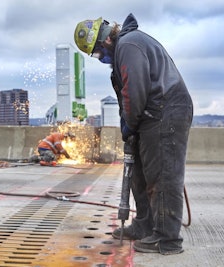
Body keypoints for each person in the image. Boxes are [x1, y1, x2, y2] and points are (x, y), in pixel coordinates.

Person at [74, 14, 193, 255]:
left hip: (165, 110)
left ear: (104, 42)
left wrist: (129, 124)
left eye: (97, 54)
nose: (100, 59)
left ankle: (166, 239)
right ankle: (144, 225)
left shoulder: (128, 46)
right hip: (152, 114)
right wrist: (129, 127)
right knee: (139, 171)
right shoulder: (125, 48)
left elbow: (135, 91)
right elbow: (130, 94)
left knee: (162, 176)